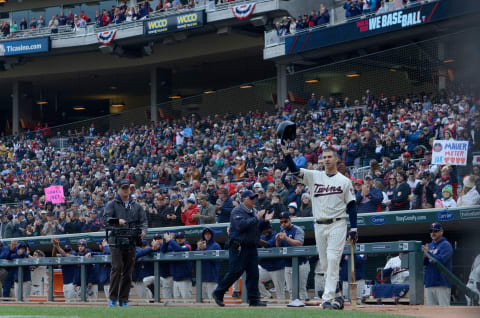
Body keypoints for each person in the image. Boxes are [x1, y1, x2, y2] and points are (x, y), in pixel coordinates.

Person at [283, 146, 357, 309]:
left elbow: (351, 205)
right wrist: (287, 154)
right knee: (325, 264)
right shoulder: (314, 176)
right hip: (319, 225)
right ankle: (338, 296)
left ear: (336, 159)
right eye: (324, 157)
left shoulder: (344, 181)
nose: (327, 159)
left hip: (338, 223)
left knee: (332, 259)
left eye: (330, 156)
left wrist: (354, 228)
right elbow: (295, 171)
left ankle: (327, 299)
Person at [212, 190, 274, 307]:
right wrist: (257, 218)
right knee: (235, 272)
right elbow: (242, 226)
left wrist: (265, 221)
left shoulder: (253, 212)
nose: (253, 200)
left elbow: (257, 229)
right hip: (239, 245)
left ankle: (254, 300)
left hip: (251, 246)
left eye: (254, 198)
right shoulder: (237, 210)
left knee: (254, 274)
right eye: (251, 198)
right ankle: (218, 292)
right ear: (244, 199)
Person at [103, 179, 148, 307]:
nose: (126, 190)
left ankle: (123, 300)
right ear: (118, 189)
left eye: (127, 187)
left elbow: (144, 221)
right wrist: (117, 221)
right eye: (123, 188)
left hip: (131, 239)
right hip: (116, 240)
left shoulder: (136, 205)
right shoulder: (112, 204)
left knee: (128, 271)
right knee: (117, 267)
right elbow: (105, 219)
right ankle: (112, 299)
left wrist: (144, 231)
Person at [276, 211, 309, 300]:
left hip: (301, 263)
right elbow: (279, 247)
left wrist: (286, 238)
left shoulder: (297, 229)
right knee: (291, 290)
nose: (283, 224)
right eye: (281, 222)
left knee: (301, 290)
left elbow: (299, 244)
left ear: (290, 220)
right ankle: (294, 309)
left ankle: (305, 310)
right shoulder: (282, 231)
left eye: (285, 221)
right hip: (288, 264)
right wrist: (278, 240)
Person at [423, 222, 453, 306]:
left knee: (444, 312)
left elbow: (441, 261)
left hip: (442, 284)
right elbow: (425, 263)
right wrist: (423, 256)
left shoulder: (446, 245)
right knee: (431, 313)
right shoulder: (429, 245)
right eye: (431, 231)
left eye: (435, 231)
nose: (433, 233)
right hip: (429, 283)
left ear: (441, 232)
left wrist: (428, 253)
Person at [161, 231, 192, 302]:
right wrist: (166, 241)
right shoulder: (173, 246)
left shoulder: (187, 245)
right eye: (178, 238)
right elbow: (162, 250)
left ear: (185, 239)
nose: (179, 239)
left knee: (187, 302)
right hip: (175, 279)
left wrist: (170, 240)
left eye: (181, 238)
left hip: (185, 279)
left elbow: (180, 250)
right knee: (177, 303)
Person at [257, 221, 285, 299]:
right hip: (265, 268)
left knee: (280, 292)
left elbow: (268, 245)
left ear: (271, 228)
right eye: (263, 230)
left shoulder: (276, 236)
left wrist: (256, 238)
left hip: (277, 268)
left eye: (267, 229)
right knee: (254, 278)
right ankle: (267, 296)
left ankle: (282, 307)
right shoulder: (262, 237)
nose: (265, 231)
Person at [197, 227, 221, 299]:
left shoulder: (216, 245)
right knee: (202, 301)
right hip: (201, 279)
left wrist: (205, 249)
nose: (207, 235)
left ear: (212, 235)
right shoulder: (200, 246)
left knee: (213, 300)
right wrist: (198, 249)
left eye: (209, 234)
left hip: (212, 279)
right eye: (205, 234)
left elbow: (216, 261)